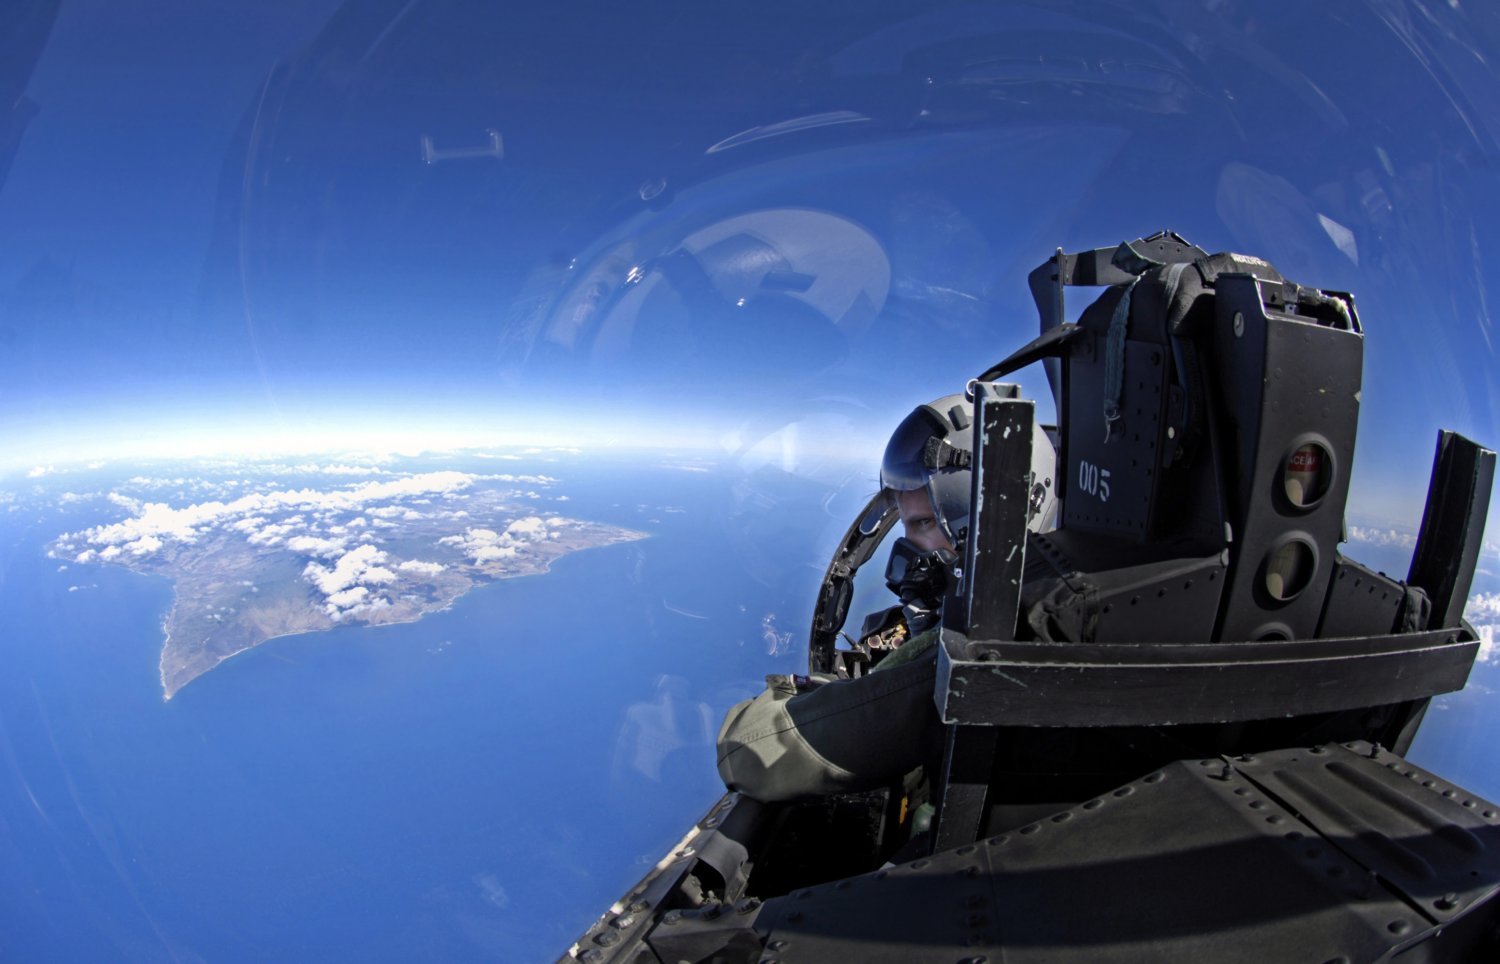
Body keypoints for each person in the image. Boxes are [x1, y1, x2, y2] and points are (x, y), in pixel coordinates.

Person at [714, 395, 978, 803]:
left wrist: (806, 696)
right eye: (907, 527)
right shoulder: (1019, 610)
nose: (909, 550)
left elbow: (749, 751)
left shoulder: (970, 655)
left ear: (977, 518)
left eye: (924, 523)